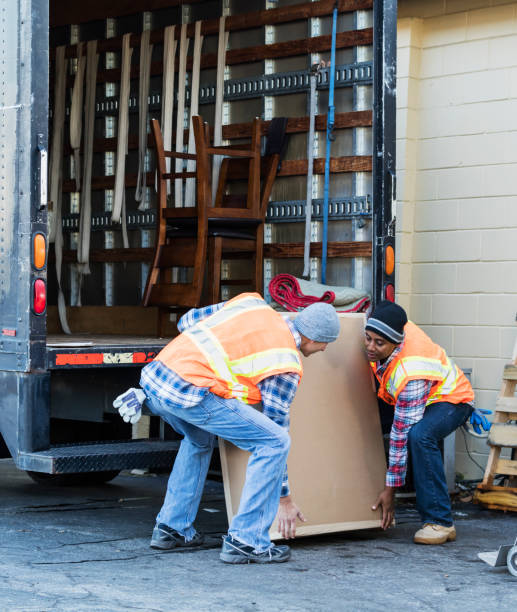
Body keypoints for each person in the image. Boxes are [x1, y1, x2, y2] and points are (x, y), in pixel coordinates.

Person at [114, 292, 339, 564]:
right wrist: (284, 497)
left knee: (198, 439)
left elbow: (186, 322)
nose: (323, 351)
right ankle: (247, 541)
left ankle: (172, 528)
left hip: (157, 378)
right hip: (191, 391)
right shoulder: (285, 362)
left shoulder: (251, 303)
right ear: (314, 339)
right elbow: (276, 428)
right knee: (275, 442)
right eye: (324, 346)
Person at [365, 301, 474, 545]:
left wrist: (390, 490)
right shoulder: (390, 323)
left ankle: (440, 522)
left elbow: (400, 434)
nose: (370, 347)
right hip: (410, 397)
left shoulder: (411, 370)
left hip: (450, 400)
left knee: (419, 435)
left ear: (396, 343)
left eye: (378, 343)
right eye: (368, 338)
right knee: (367, 423)